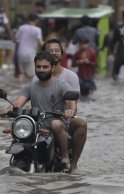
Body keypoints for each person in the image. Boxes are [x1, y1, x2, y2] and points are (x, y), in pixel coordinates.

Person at [3, 51, 77, 173]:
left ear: (52, 68)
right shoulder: (30, 86)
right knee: (18, 130)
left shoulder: (62, 85)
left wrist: (70, 110)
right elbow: (17, 103)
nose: (41, 70)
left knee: (56, 124)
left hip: (57, 127)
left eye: (45, 67)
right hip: (35, 127)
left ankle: (64, 157)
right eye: (38, 67)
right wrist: (7, 109)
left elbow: (71, 102)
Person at [36, 39, 87, 174]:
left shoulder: (70, 76)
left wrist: (71, 111)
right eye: (50, 51)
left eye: (57, 50)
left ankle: (73, 164)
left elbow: (73, 102)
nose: (54, 53)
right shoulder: (37, 75)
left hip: (63, 117)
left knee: (81, 123)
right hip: (41, 117)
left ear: (62, 53)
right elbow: (24, 98)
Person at [15, 13, 44, 81]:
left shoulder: (21, 28)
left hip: (20, 53)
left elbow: (16, 39)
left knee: (22, 73)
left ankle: (18, 88)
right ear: (36, 20)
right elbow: (40, 42)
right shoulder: (37, 29)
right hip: (30, 54)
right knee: (31, 75)